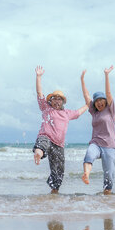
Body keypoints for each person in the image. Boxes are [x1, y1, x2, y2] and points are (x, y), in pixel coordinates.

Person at [33, 65, 88, 193]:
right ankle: (38, 153)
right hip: (46, 137)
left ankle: (54, 194)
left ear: (63, 102)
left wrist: (87, 105)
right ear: (50, 101)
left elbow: (79, 112)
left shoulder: (67, 113)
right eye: (54, 98)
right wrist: (38, 77)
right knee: (42, 144)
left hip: (59, 145)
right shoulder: (46, 108)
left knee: (59, 172)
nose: (56, 101)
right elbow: (39, 93)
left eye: (59, 99)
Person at [80, 66, 115, 195]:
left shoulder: (110, 110)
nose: (99, 103)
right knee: (89, 154)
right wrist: (82, 80)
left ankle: (107, 198)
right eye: (97, 101)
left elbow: (109, 93)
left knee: (109, 177)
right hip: (96, 143)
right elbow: (86, 95)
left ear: (105, 102)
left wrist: (106, 75)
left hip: (109, 146)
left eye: (102, 100)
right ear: (94, 104)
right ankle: (86, 174)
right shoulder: (94, 113)